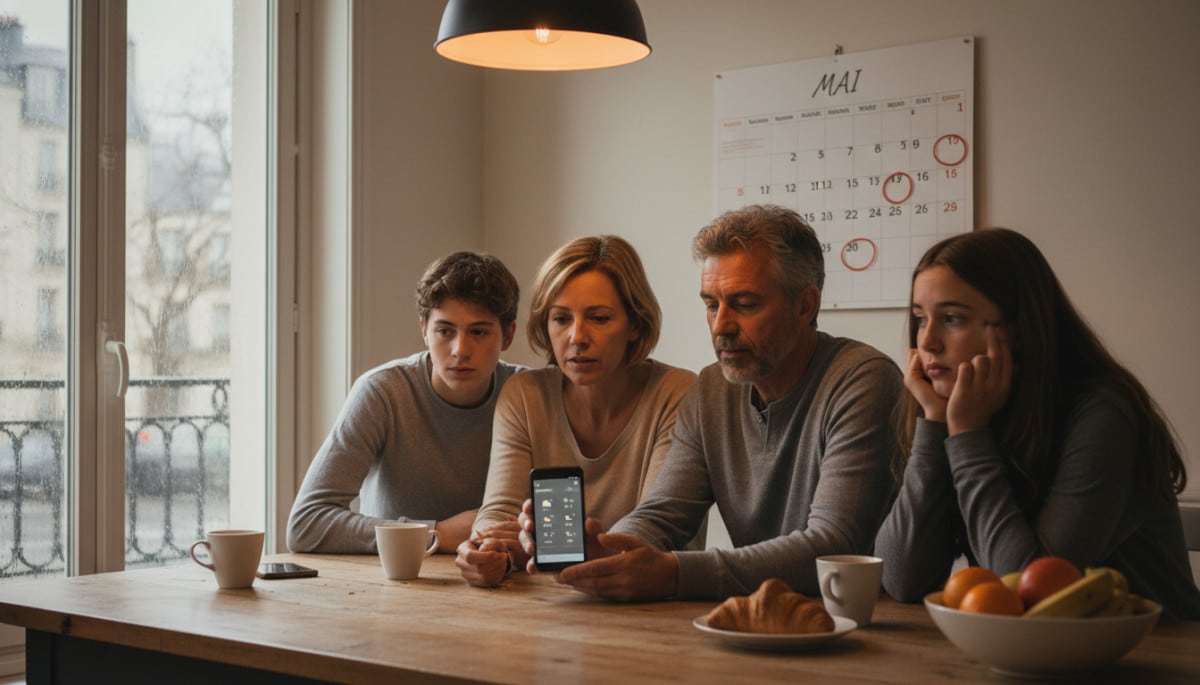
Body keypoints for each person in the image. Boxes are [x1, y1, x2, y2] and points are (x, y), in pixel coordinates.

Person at [518, 204, 903, 601]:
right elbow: (663, 512)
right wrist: (610, 550)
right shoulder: (711, 390)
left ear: (805, 306)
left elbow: (833, 546)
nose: (721, 326)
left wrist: (675, 573)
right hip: (756, 622)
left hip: (868, 627)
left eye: (745, 304)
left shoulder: (863, 379)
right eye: (711, 304)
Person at [874, 228, 1200, 619]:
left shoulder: (1105, 417)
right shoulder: (956, 407)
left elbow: (1034, 595)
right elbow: (901, 580)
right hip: (1043, 657)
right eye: (920, 318)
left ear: (1018, 330)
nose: (927, 342)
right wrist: (934, 425)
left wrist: (968, 436)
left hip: (1158, 657)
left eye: (952, 318)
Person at [455, 235, 697, 587]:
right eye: (561, 319)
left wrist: (574, 548)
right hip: (546, 606)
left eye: (599, 318)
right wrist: (489, 550)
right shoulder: (523, 395)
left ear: (634, 325)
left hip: (651, 607)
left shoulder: (676, 393)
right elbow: (499, 510)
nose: (576, 337)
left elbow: (657, 525)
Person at [286, 251, 525, 554]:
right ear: (424, 330)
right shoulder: (382, 392)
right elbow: (306, 524)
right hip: (397, 583)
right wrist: (436, 533)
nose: (460, 350)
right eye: (444, 331)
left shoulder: (526, 395)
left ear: (508, 335)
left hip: (506, 582)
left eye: (478, 332)